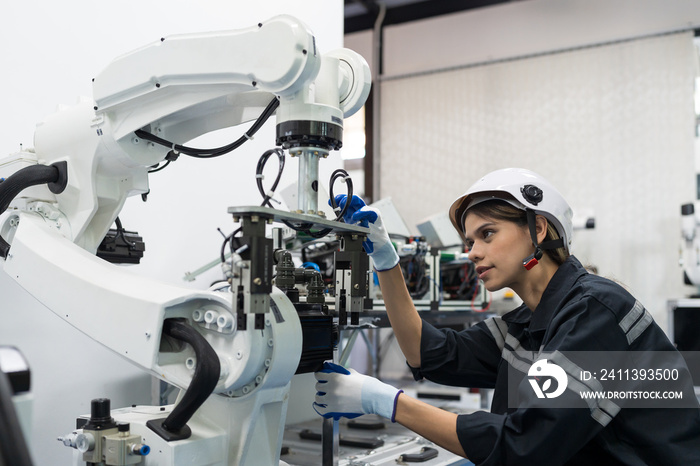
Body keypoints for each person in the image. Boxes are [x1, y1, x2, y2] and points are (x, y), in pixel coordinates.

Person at [313, 168, 700, 465]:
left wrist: (386, 402)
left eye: (488, 234)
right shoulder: (525, 325)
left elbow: (526, 446)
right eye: (469, 241)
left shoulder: (595, 313)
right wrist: (386, 259)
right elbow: (426, 353)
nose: (472, 253)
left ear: (538, 228)